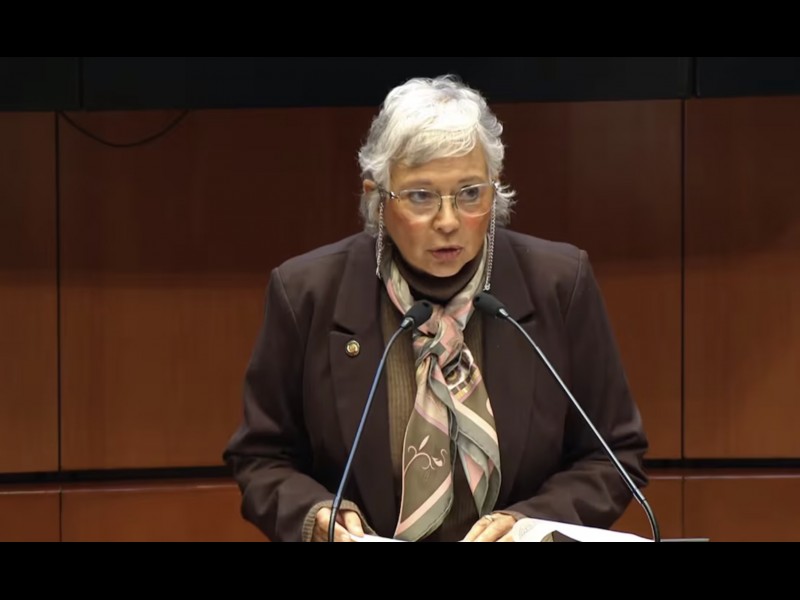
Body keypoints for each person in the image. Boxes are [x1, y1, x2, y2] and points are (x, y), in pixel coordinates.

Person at [223, 74, 649, 542]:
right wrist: (315, 515)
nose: (448, 222)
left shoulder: (558, 285)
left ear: (495, 189)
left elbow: (612, 455)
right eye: (421, 197)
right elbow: (262, 458)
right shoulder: (307, 293)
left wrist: (531, 523)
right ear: (377, 198)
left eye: (470, 193)